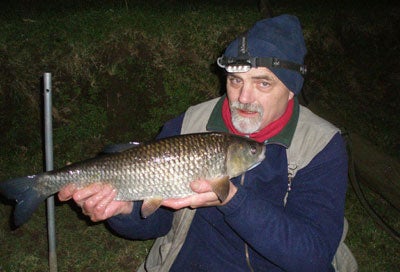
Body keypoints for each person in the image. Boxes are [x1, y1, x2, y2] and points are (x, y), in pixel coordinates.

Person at [59, 14, 357, 271]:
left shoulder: (320, 145)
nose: (244, 97)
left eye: (263, 83)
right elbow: (159, 221)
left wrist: (232, 200)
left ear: (291, 90)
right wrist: (124, 210)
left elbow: (313, 256)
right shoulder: (190, 123)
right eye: (235, 80)